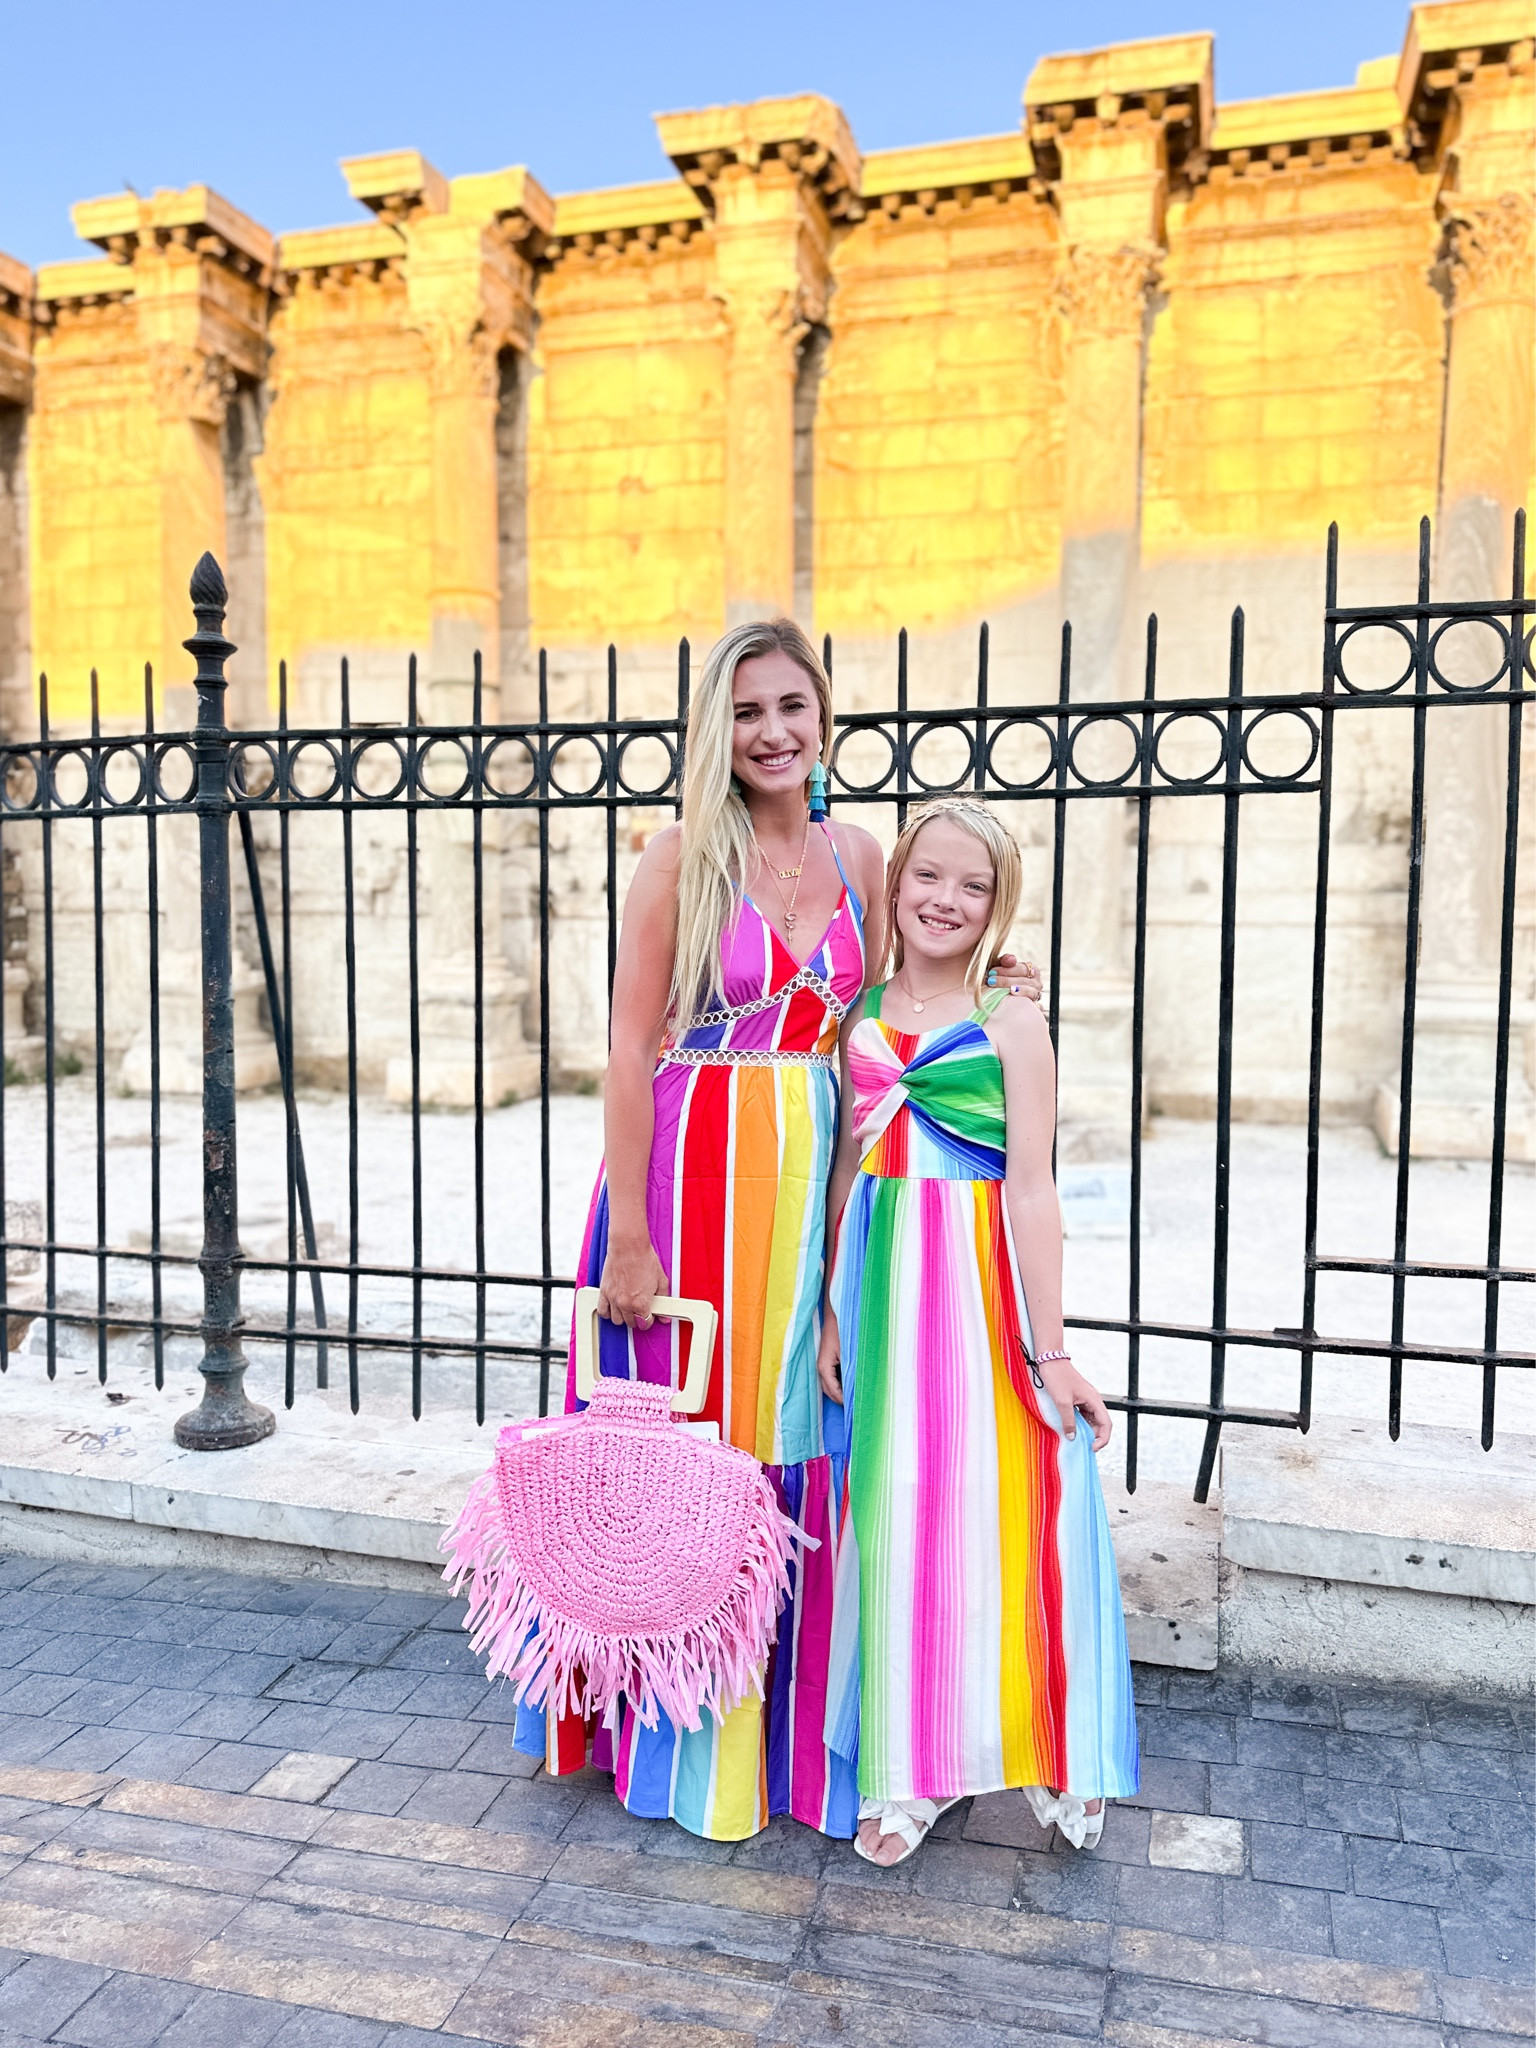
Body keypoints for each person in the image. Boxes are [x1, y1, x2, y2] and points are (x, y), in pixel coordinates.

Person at [513, 621, 1041, 1843]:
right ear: (719, 727)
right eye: (748, 709)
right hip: (691, 1178)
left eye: (793, 705)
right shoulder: (678, 858)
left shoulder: (864, 855)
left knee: (809, 1437)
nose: (773, 731)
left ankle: (800, 1749)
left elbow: (922, 977)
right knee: (686, 1455)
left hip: (824, 1180)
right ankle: (677, 1749)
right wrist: (632, 1239)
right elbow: (630, 1055)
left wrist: (1008, 985)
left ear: (825, 717)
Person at [818, 796, 1139, 1866]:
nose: (946, 900)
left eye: (975, 886)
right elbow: (843, 1169)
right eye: (929, 876)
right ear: (896, 880)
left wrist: (1051, 1346)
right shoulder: (856, 1014)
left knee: (1019, 1513)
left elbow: (1035, 1188)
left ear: (1001, 907)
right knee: (899, 1521)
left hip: (984, 1291)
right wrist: (825, 1299)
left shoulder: (1012, 1021)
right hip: (882, 1294)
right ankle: (909, 1769)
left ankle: (1050, 1751)